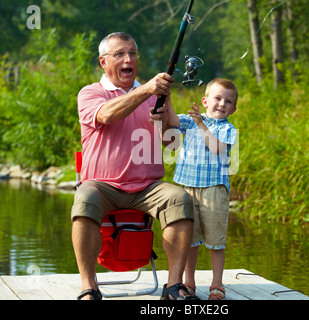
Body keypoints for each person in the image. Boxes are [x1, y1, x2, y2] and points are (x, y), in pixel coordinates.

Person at [71, 32, 199, 300]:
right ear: (103, 62)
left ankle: (173, 286)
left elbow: (172, 145)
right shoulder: (91, 93)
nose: (128, 59)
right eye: (119, 54)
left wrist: (167, 120)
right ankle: (89, 288)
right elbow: (106, 114)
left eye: (132, 53)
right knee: (84, 200)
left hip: (148, 187)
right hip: (102, 185)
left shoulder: (156, 95)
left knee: (179, 199)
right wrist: (146, 90)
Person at [166, 78, 238, 300]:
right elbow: (171, 119)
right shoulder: (191, 121)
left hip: (213, 190)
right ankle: (189, 282)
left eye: (228, 101)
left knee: (215, 241)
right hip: (188, 189)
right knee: (191, 240)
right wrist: (166, 94)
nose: (221, 104)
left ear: (233, 109)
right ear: (206, 101)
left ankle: (217, 284)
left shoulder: (228, 129)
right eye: (217, 98)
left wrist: (200, 124)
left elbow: (216, 148)